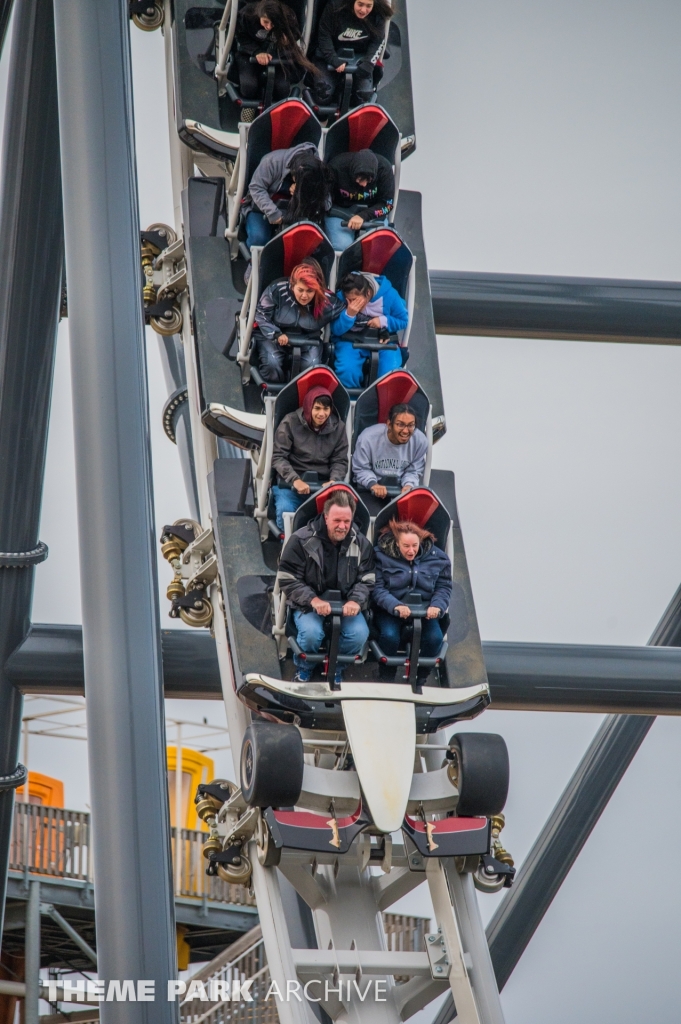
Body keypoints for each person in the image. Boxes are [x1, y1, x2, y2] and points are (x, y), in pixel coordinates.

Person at [277, 490, 374, 682]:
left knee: (359, 634)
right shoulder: (301, 540)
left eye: (347, 521)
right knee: (311, 634)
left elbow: (368, 578)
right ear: (326, 516)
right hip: (308, 604)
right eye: (337, 520)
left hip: (346, 604)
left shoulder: (361, 543)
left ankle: (336, 668)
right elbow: (287, 578)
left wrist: (356, 601)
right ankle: (305, 668)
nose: (342, 526)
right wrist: (313, 600)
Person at [372, 518, 452, 681]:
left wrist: (437, 606)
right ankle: (386, 676)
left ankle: (421, 677)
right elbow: (377, 588)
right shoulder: (380, 556)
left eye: (415, 546)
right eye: (406, 546)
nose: (411, 551)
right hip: (390, 610)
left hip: (424, 611)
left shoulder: (439, 558)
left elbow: (444, 587)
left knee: (435, 638)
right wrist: (395, 605)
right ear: (397, 543)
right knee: (389, 636)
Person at [271, 385, 349, 531]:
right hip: (290, 485)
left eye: (326, 409)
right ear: (308, 407)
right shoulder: (290, 422)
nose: (322, 414)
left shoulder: (339, 428)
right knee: (285, 510)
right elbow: (278, 456)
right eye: (317, 408)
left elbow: (340, 460)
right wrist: (295, 480)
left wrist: (334, 480)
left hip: (322, 487)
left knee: (338, 517)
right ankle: (288, 543)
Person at [254, 259, 344, 383]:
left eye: (310, 291)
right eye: (300, 290)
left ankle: (302, 390)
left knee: (311, 366)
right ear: (292, 285)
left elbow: (347, 312)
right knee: (272, 363)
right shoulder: (277, 289)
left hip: (309, 339)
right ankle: (273, 389)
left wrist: (366, 318)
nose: (304, 296)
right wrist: (276, 333)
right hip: (274, 337)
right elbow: (261, 314)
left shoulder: (326, 299)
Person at [331, 271, 408, 388]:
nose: (352, 304)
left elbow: (403, 320)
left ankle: (384, 396)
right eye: (349, 300)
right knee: (347, 369)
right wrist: (349, 315)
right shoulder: (341, 297)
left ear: (368, 293)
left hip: (383, 340)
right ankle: (351, 396)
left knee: (390, 371)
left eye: (355, 300)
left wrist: (383, 321)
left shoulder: (390, 296)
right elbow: (335, 330)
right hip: (350, 340)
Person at [244, 145, 329, 251]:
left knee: (309, 244)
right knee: (258, 239)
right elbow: (256, 188)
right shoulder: (271, 162)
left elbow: (325, 197)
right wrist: (273, 212)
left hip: (297, 211)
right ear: (294, 173)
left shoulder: (316, 168)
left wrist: (302, 193)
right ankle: (252, 259)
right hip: (261, 209)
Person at [312, 0, 392, 110]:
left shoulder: (378, 14)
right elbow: (323, 35)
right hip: (331, 54)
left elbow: (378, 42)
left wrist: (368, 63)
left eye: (368, 6)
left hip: (362, 57)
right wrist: (333, 59)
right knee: (323, 94)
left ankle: (355, 114)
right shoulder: (334, 7)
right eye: (360, 4)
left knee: (364, 96)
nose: (363, 10)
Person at [234, 0, 317, 104]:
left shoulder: (288, 16)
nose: (268, 27)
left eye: (273, 23)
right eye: (265, 22)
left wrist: (287, 40)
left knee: (282, 88)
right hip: (250, 54)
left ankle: (276, 108)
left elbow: (295, 33)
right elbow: (241, 37)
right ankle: (250, 106)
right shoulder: (247, 15)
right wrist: (256, 52)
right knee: (248, 86)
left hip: (277, 55)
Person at [352, 403, 428, 501]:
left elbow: (414, 471)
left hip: (400, 489)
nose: (406, 431)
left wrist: (409, 485)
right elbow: (361, 469)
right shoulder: (368, 438)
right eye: (400, 424)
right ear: (389, 424)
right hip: (369, 489)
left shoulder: (420, 441)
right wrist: (373, 484)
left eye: (411, 425)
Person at [325, 148, 394, 251]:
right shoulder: (336, 167)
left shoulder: (384, 169)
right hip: (340, 211)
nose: (364, 184)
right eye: (360, 180)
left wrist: (363, 216)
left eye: (368, 181)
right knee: (341, 246)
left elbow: (388, 205)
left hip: (373, 212)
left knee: (378, 248)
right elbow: (323, 198)